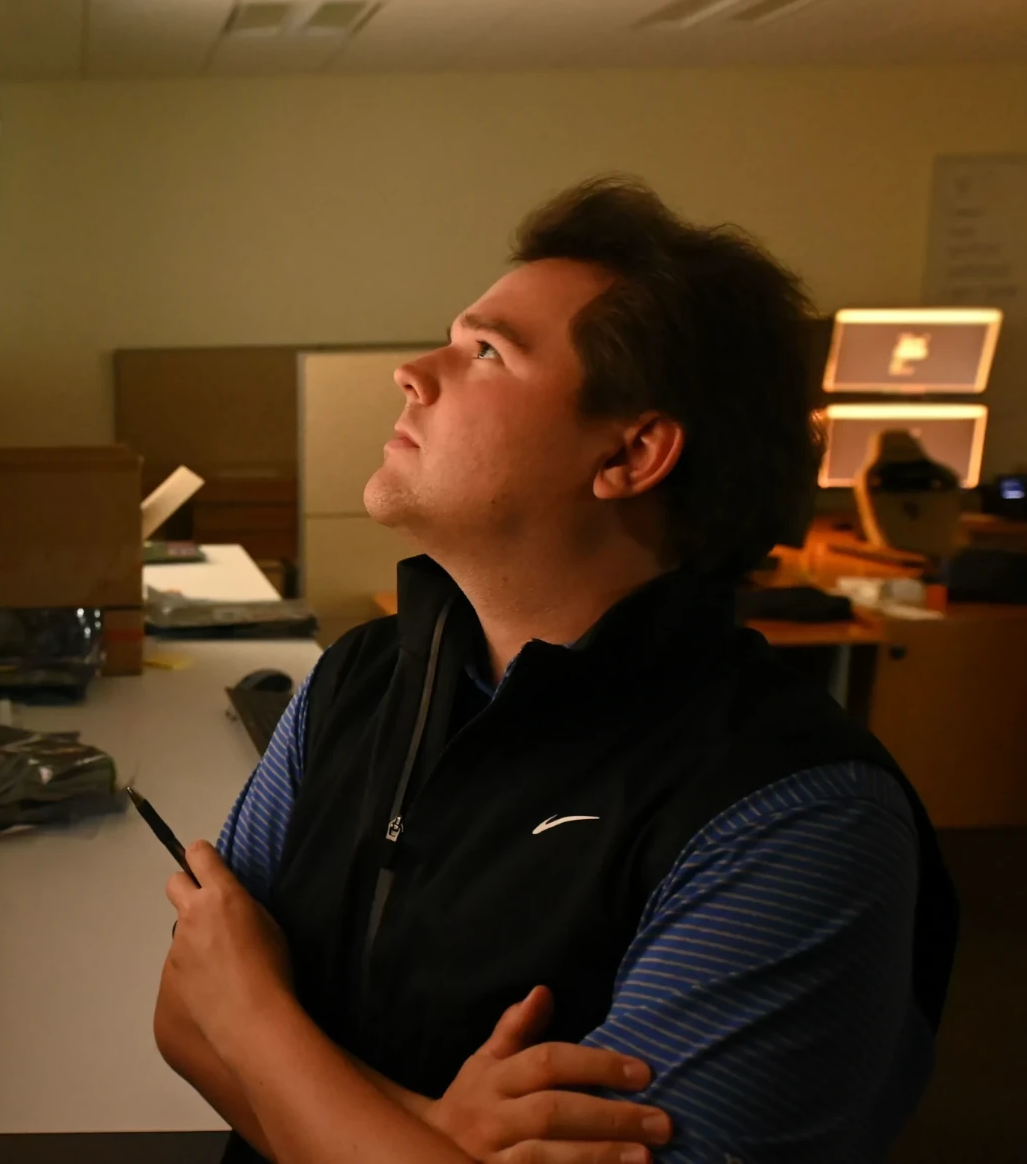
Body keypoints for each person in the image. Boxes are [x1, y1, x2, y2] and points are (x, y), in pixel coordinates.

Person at [152, 178, 957, 1164]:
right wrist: (434, 1133)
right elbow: (183, 1016)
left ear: (631, 450)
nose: (413, 371)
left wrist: (258, 1015)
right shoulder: (355, 680)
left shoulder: (793, 816)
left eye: (487, 351)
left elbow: (221, 1005)